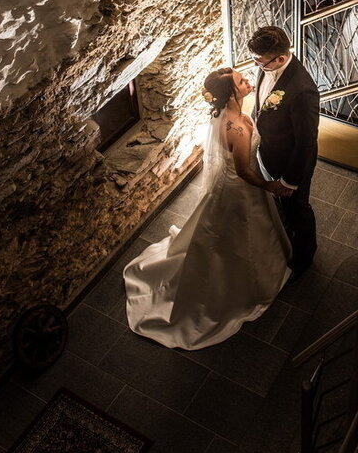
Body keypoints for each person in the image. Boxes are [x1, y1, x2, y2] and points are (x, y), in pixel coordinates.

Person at [123, 67, 291, 350]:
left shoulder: (228, 118)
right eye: (241, 81)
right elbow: (245, 172)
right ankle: (240, 287)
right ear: (230, 95)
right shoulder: (236, 127)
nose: (248, 80)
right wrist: (270, 186)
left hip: (230, 185)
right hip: (240, 189)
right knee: (242, 236)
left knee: (225, 234)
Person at [248, 26, 320, 279]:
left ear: (280, 58)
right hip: (269, 151)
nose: (257, 66)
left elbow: (306, 141)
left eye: (260, 61)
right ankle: (285, 235)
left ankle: (304, 257)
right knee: (283, 208)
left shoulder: (303, 91)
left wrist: (290, 180)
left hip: (290, 161)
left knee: (298, 209)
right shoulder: (266, 65)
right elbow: (262, 103)